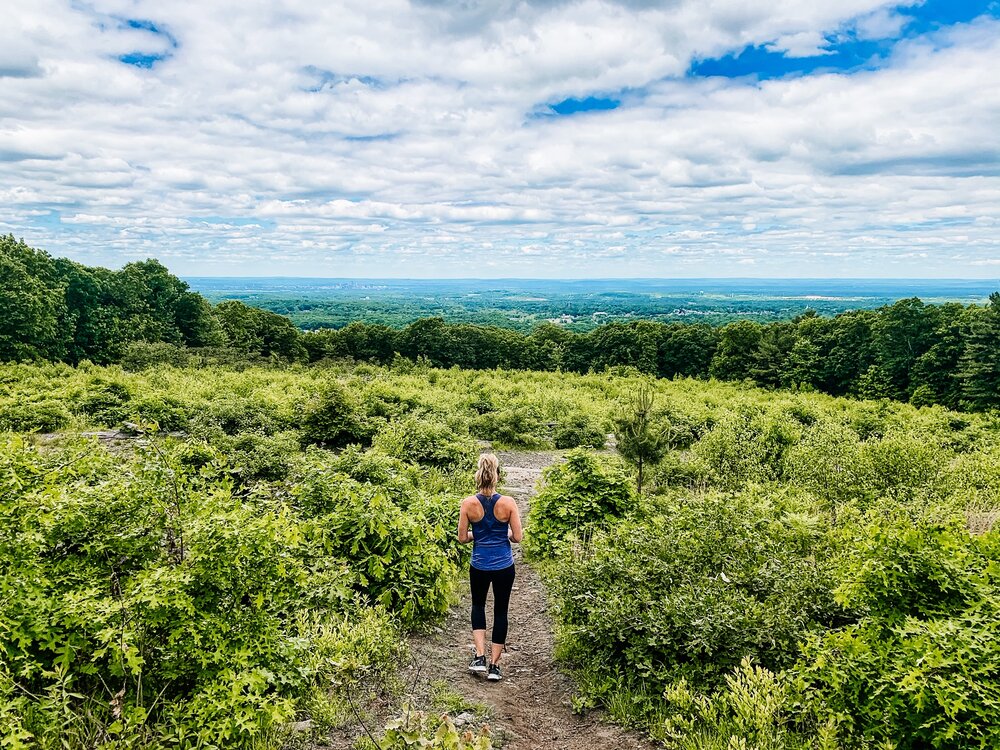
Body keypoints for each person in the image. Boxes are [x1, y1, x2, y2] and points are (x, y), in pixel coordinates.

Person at [458, 453, 523, 682]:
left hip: (480, 565)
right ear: (497, 475)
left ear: (478, 474)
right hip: (504, 565)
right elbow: (517, 537)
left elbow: (462, 538)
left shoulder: (468, 504)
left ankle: (479, 657)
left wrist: (479, 534)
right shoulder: (508, 503)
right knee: (501, 610)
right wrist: (502, 532)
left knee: (478, 605)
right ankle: (495, 666)